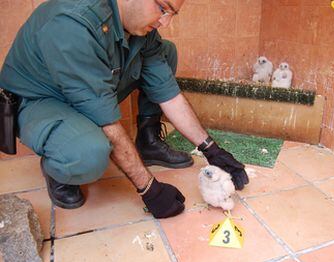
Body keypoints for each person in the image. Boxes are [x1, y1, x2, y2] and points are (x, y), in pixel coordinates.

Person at [0, 0, 249, 218]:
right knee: (89, 152)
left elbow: (168, 93)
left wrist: (211, 149)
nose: (166, 22)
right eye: (162, 8)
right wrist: (149, 188)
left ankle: (149, 143)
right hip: (39, 100)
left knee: (165, 52)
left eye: (172, 13)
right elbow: (106, 122)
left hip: (82, 89)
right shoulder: (73, 23)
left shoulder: (139, 27)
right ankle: (59, 168)